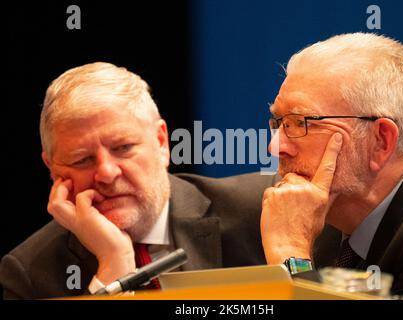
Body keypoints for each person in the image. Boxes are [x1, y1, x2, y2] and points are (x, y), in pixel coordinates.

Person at [0, 62, 272, 299]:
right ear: (53, 169)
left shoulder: (260, 209)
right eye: (82, 159)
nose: (106, 173)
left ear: (161, 142)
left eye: (123, 148)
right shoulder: (30, 273)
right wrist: (114, 265)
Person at [261, 33, 403, 299]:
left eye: (302, 122)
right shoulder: (323, 219)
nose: (275, 146)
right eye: (279, 122)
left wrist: (290, 252)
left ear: (380, 141)